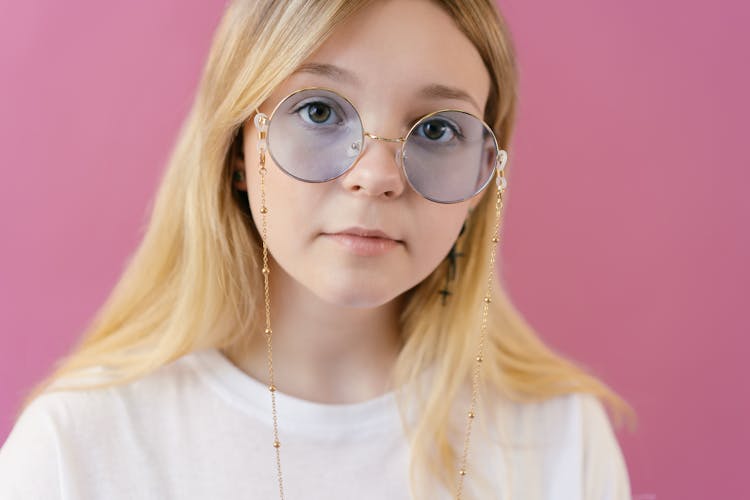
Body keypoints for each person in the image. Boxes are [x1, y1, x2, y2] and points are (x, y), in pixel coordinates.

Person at [0, 0, 635, 498]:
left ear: (482, 181)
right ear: (236, 151)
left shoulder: (560, 439)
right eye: (321, 112)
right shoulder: (76, 447)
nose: (377, 174)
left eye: (438, 128)